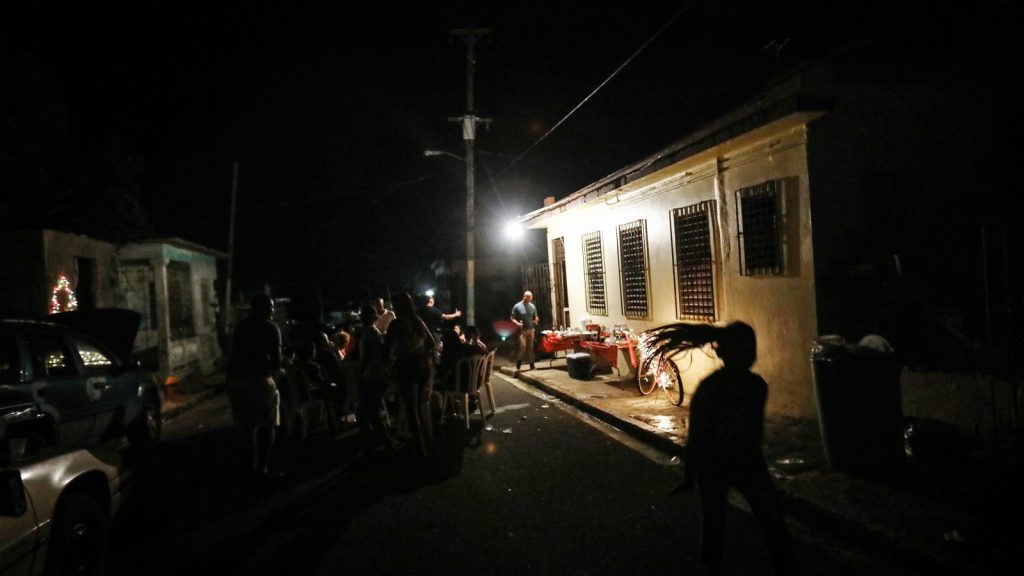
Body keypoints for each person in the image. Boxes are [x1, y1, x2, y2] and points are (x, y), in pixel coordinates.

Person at [674, 321, 798, 576]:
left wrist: (689, 474)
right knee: (770, 520)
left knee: (714, 522)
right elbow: (752, 431)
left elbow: (697, 435)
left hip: (714, 464)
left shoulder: (710, 387)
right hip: (746, 461)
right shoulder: (756, 386)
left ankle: (712, 567)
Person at [225, 294, 283, 480]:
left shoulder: (240, 326)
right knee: (267, 425)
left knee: (246, 427)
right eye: (271, 307)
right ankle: (262, 469)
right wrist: (279, 368)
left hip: (235, 380)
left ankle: (248, 470)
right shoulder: (270, 327)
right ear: (264, 308)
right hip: (258, 379)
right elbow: (277, 360)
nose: (273, 310)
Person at [385, 292, 438, 457]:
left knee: (411, 409)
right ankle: (426, 442)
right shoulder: (418, 321)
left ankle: (419, 448)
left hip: (406, 368)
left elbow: (386, 348)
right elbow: (432, 343)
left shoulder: (396, 324)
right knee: (419, 406)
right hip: (423, 367)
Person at [356, 304, 393, 458]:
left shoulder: (369, 333)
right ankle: (384, 443)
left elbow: (368, 355)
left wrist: (360, 374)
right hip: (379, 376)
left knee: (363, 413)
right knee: (372, 413)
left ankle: (370, 448)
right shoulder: (373, 331)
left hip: (374, 377)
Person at [510, 290, 539, 371]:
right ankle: (519, 361)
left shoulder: (532, 306)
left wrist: (536, 320)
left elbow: (536, 316)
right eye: (529, 297)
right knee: (523, 346)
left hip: (531, 329)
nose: (530, 299)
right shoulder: (517, 306)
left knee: (531, 347)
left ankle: (532, 365)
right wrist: (517, 323)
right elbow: (512, 318)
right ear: (524, 297)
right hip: (522, 331)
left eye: (531, 297)